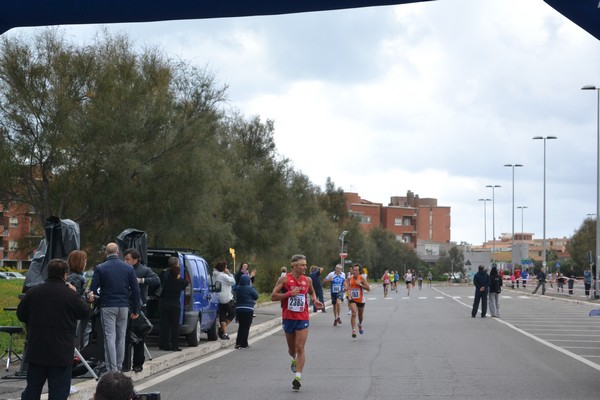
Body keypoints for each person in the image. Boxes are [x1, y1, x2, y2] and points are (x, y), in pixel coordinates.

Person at [17, 258, 90, 400]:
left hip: (37, 349)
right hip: (61, 353)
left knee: (32, 389)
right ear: (65, 275)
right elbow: (84, 312)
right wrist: (77, 294)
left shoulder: (33, 292)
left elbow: (21, 314)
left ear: (47, 273)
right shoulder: (70, 295)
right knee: (58, 392)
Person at [270, 254, 323, 391]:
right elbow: (272, 296)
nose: (305, 267)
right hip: (288, 318)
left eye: (305, 264)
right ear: (293, 266)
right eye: (302, 265)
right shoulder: (284, 279)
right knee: (292, 350)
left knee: (300, 347)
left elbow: (311, 292)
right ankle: (293, 358)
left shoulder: (308, 280)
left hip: (303, 317)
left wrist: (315, 300)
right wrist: (288, 294)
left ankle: (297, 378)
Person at [89, 243, 141, 372]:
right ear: (118, 253)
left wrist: (91, 295)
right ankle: (119, 366)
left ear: (106, 253)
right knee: (121, 337)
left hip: (108, 305)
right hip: (124, 306)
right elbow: (136, 290)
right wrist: (136, 309)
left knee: (109, 337)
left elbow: (93, 289)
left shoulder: (101, 268)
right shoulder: (128, 268)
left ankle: (112, 369)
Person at [123, 248, 160, 373]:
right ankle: (124, 362)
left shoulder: (144, 270)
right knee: (124, 336)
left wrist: (142, 280)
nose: (125, 261)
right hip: (124, 307)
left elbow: (156, 281)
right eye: (124, 259)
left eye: (128, 259)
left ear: (135, 260)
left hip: (140, 308)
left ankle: (138, 364)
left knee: (139, 337)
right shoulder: (123, 269)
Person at [158, 256, 188, 351]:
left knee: (164, 325)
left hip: (164, 303)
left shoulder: (165, 280)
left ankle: (163, 344)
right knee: (175, 326)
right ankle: (175, 345)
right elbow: (186, 283)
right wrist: (178, 277)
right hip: (175, 304)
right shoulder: (180, 282)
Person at [345, 263, 370, 338]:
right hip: (353, 299)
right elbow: (348, 286)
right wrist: (349, 294)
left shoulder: (362, 278)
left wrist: (360, 285)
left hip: (361, 300)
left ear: (359, 271)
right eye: (353, 270)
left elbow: (368, 288)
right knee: (354, 313)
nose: (354, 272)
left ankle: (359, 324)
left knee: (360, 316)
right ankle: (353, 330)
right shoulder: (350, 278)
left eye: (356, 270)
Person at [212, 260, 236, 340]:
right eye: (226, 267)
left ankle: (225, 333)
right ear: (223, 268)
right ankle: (221, 329)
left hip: (217, 298)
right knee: (232, 313)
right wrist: (229, 273)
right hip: (226, 298)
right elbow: (233, 281)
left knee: (222, 316)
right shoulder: (223, 276)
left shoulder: (213, 275)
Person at [234, 274, 259, 349]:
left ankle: (238, 343)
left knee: (241, 326)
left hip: (238, 309)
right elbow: (256, 296)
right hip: (248, 309)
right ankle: (244, 343)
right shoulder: (250, 288)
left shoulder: (238, 288)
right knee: (246, 326)